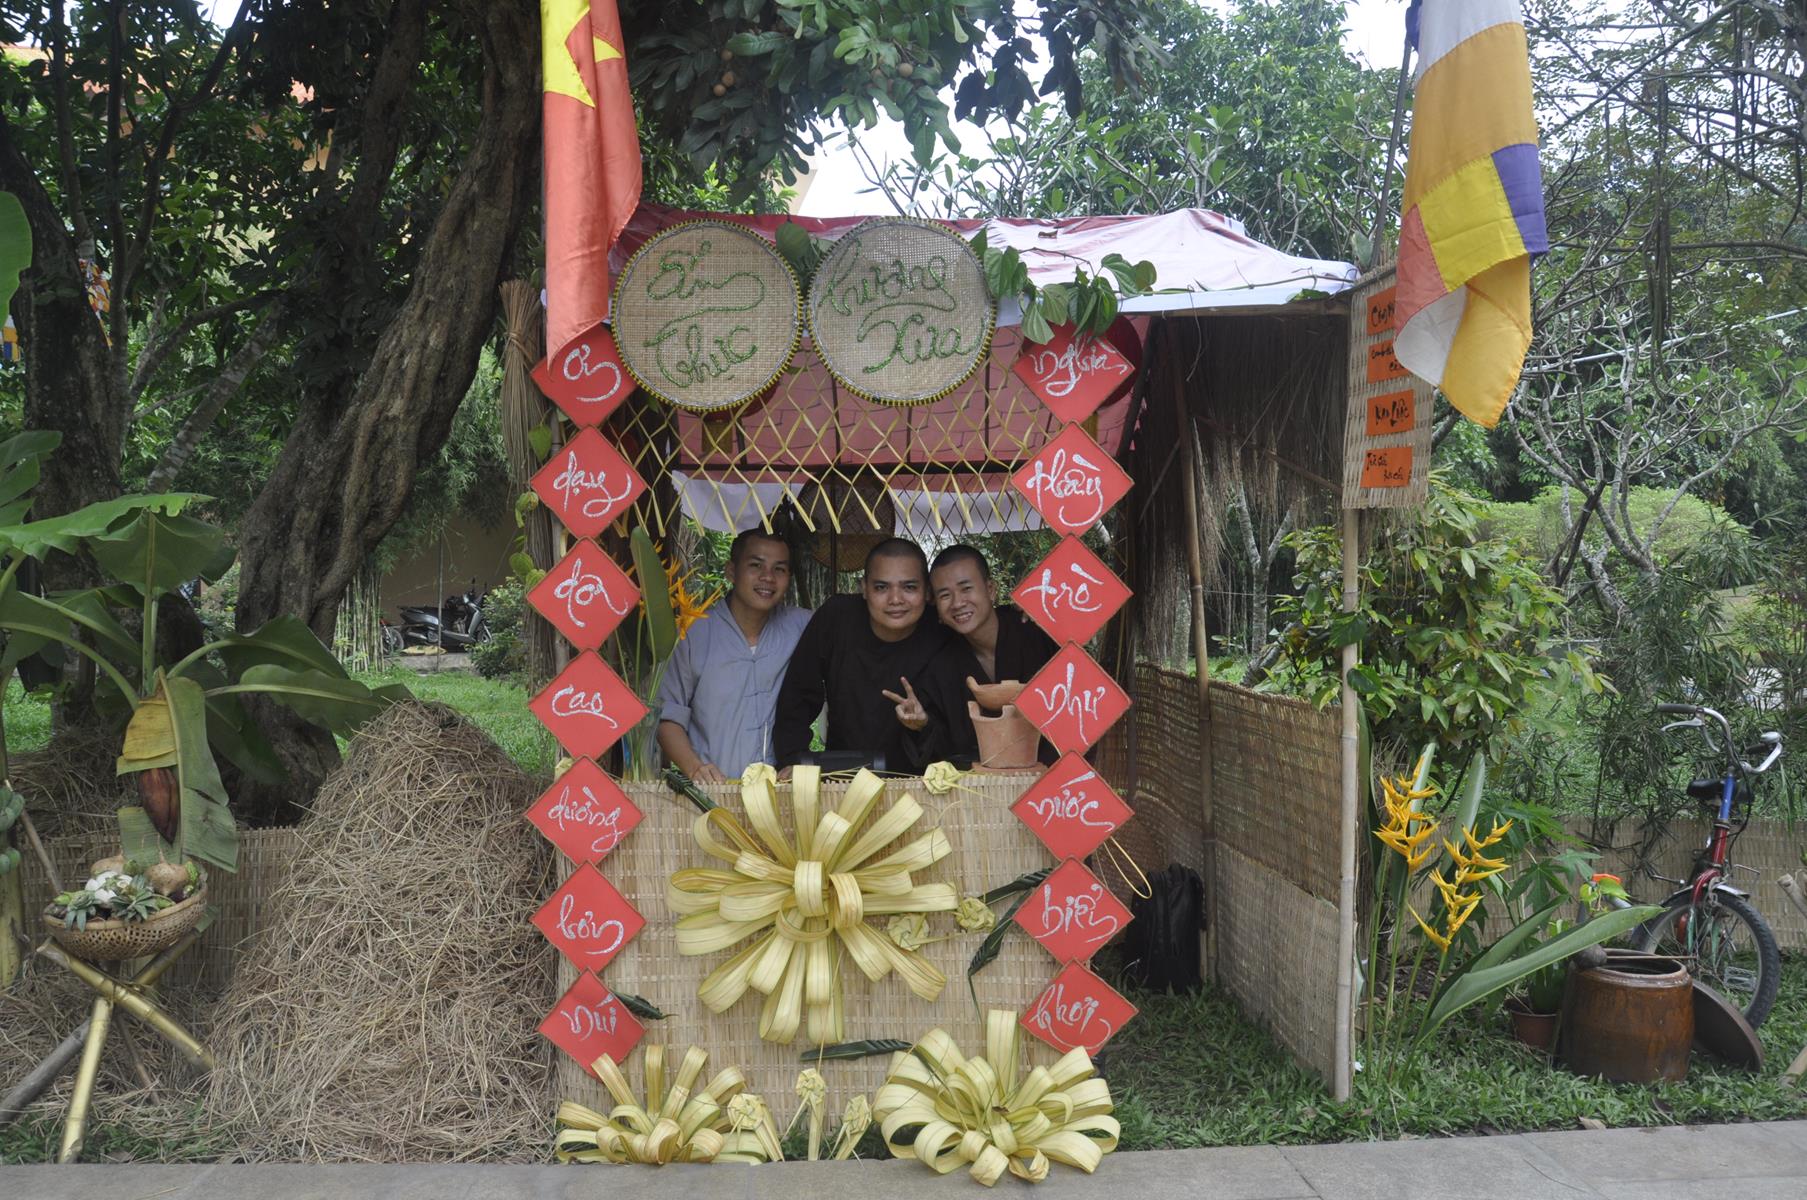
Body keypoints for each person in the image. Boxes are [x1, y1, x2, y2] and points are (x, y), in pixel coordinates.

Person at [771, 537, 953, 775]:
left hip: (924, 779)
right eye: (881, 587)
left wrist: (924, 723)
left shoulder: (942, 629)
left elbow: (958, 727)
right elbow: (798, 696)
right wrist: (793, 760)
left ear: (927, 591)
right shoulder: (837, 618)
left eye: (909, 587)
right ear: (864, 588)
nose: (895, 599)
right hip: (843, 776)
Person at [656, 529, 811, 782]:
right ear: (731, 571)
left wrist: (809, 764)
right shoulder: (692, 633)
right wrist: (695, 768)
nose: (768, 577)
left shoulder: (803, 627)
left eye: (779, 569)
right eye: (756, 565)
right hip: (712, 791)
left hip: (782, 793)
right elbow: (667, 715)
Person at [916, 544, 1060, 766]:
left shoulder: (1036, 632)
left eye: (966, 588)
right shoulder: (942, 667)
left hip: (1054, 774)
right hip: (983, 783)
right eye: (944, 595)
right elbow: (945, 749)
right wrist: (922, 722)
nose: (957, 603)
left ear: (991, 589)